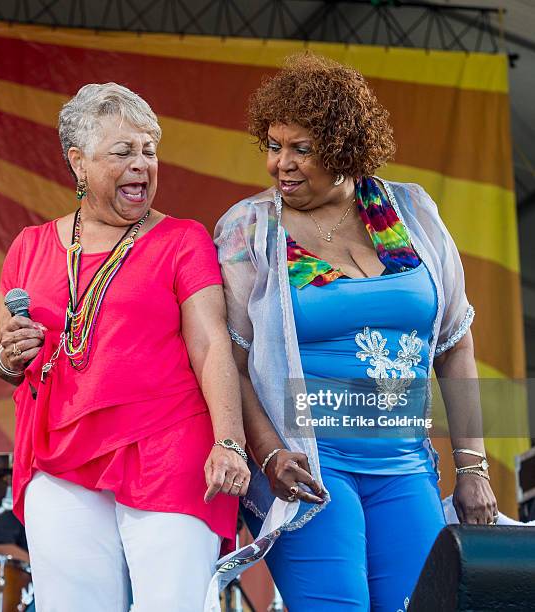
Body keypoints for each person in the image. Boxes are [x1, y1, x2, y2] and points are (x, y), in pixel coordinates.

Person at [214, 54, 498, 611]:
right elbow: (231, 361)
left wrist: (473, 468)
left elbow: (455, 344)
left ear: (345, 147)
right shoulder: (249, 228)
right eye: (274, 146)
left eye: (302, 148)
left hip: (404, 463)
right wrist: (270, 456)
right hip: (308, 468)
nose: (281, 164)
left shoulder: (412, 211)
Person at [0, 82, 250, 612]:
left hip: (169, 445)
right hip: (59, 453)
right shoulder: (29, 246)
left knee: (172, 604)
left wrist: (230, 441)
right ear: (78, 162)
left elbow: (210, 343)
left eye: (149, 152)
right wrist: (8, 355)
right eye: (124, 152)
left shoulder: (182, 239)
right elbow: (2, 358)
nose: (142, 165)